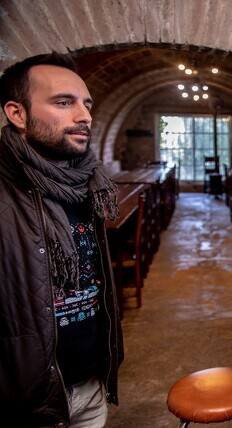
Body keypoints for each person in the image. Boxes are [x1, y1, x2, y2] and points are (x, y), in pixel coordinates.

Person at [0, 52, 123, 426]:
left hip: (90, 387)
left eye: (86, 104)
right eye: (63, 102)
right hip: (25, 403)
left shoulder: (88, 184)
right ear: (17, 113)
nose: (84, 115)